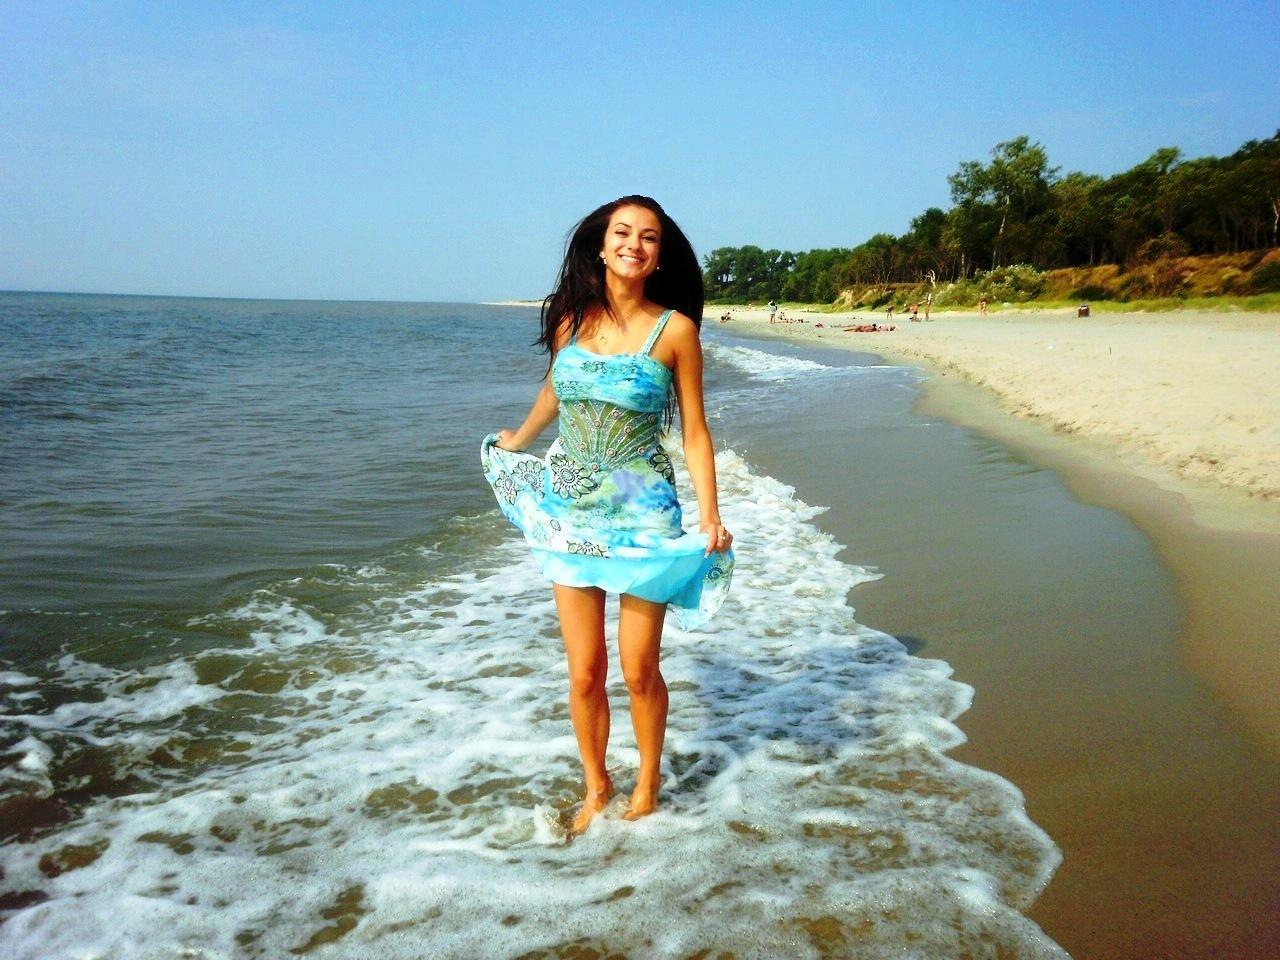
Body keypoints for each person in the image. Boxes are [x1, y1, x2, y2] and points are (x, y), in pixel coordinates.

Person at [481, 195, 735, 835]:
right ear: (601, 245)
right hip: (570, 503)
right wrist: (519, 440)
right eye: (623, 233)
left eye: (648, 237)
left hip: (641, 504)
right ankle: (597, 786)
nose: (634, 245)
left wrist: (710, 514)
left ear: (659, 257)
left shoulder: (675, 331)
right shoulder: (571, 320)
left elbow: (695, 431)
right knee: (585, 670)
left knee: (638, 668)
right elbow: (554, 390)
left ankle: (648, 782)